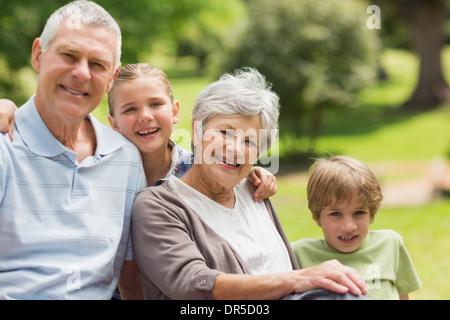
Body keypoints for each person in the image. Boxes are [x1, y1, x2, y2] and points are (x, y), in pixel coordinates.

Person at [131, 67, 369, 300]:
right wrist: (296, 279)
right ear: (196, 130)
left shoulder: (253, 188)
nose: (235, 149)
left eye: (249, 141)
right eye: (225, 132)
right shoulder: (157, 206)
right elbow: (192, 284)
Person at [0, 1, 146, 299]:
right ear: (38, 55)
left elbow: (131, 277)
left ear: (111, 78)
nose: (81, 73)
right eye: (69, 55)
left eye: (97, 64)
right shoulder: (4, 147)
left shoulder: (126, 157)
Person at [106, 63, 278, 299]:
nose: (145, 116)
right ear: (113, 123)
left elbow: (225, 163)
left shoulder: (193, 166)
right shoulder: (106, 182)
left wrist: (251, 171)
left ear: (175, 111)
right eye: (129, 109)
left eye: (155, 104)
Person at [291, 155, 422, 300]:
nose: (349, 226)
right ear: (316, 216)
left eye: (359, 212)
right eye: (335, 214)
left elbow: (403, 296)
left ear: (371, 213)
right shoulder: (299, 254)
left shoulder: (390, 243)